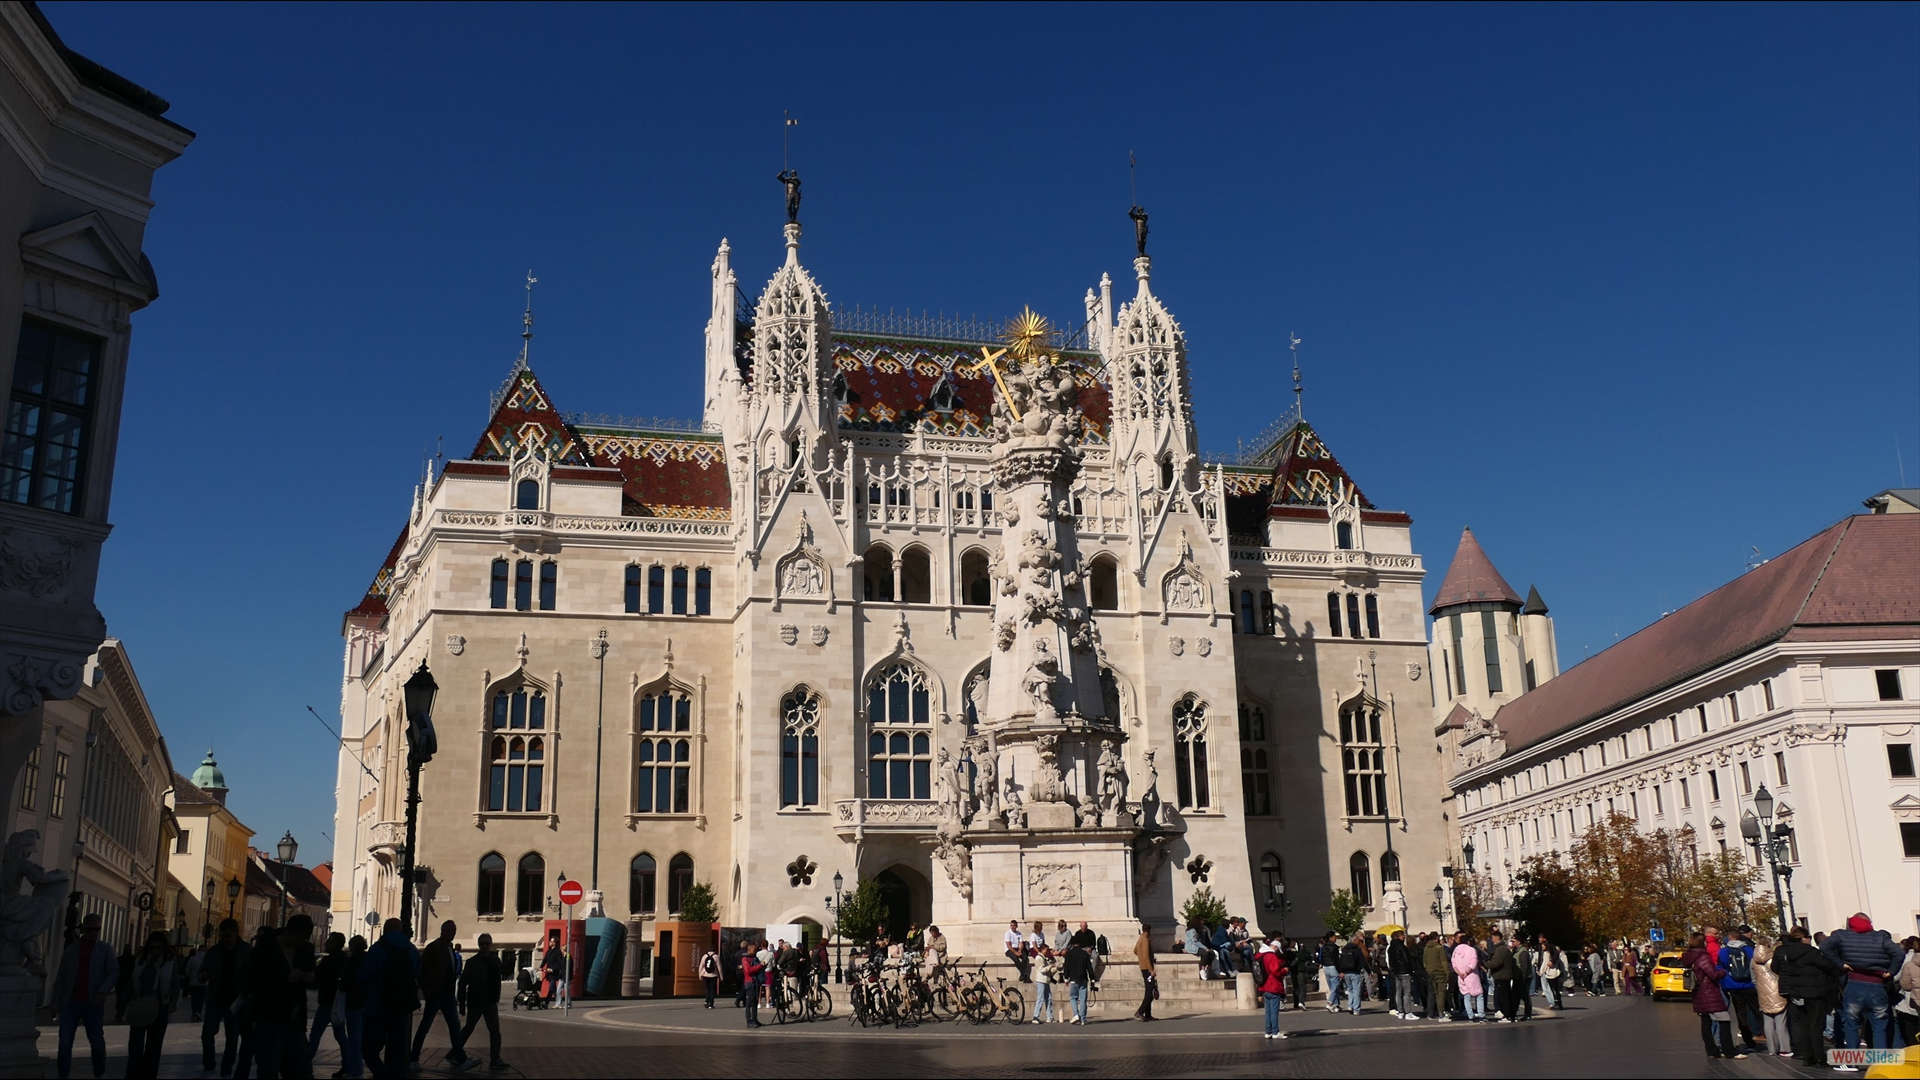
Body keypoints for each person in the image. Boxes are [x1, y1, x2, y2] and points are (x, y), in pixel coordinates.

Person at [1822, 912, 1904, 1050]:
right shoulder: (1880, 937)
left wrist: (1840, 964)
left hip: (1854, 983)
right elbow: (1899, 953)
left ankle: (1851, 1062)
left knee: (1852, 1024)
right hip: (1877, 984)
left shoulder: (1842, 935)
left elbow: (1824, 946)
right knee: (1879, 1026)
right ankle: (1880, 1061)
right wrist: (1890, 971)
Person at [53, 912, 116, 1080]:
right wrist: (55, 1001)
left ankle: (99, 1073)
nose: (93, 933)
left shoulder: (105, 950)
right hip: (70, 1001)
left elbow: (114, 971)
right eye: (90, 929)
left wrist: (104, 990)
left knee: (96, 1042)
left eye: (97, 929)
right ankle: (63, 1075)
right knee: (65, 1043)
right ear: (83, 929)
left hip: (93, 1002)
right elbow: (62, 975)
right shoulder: (72, 950)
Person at [357, 918, 422, 1079]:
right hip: (402, 1006)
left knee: (368, 1049)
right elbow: (419, 974)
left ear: (384, 930)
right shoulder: (411, 949)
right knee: (396, 1050)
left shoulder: (377, 949)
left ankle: (382, 1074)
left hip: (377, 1006)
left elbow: (362, 977)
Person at [408, 921, 474, 1071]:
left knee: (454, 1026)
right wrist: (426, 989)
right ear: (443, 931)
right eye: (451, 930)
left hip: (448, 994)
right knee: (425, 1025)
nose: (454, 933)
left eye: (455, 930)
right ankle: (414, 1057)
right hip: (436, 994)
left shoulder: (449, 947)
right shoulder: (434, 947)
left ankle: (460, 1057)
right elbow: (423, 969)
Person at [1772, 926, 1841, 1069]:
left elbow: (1777, 968)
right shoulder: (1811, 952)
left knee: (1803, 1025)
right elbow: (1828, 966)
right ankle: (1820, 1058)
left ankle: (1808, 1057)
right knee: (1816, 1026)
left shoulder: (1788, 953)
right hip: (1814, 992)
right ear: (1803, 938)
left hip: (1797, 992)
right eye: (1808, 936)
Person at [122, 930, 178, 1080]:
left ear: (164, 947)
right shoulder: (140, 961)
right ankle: (133, 1075)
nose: (155, 951)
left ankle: (148, 1075)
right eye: (152, 948)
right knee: (135, 1046)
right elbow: (131, 983)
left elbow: (175, 983)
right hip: (140, 1005)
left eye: (158, 947)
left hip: (160, 1007)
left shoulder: (169, 964)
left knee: (154, 1047)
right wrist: (123, 1004)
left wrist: (173, 1002)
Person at [200, 918, 251, 1077]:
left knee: (232, 1038)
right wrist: (205, 975)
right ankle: (209, 1063)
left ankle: (226, 1069)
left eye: (228, 936)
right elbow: (201, 973)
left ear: (236, 933)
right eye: (222, 936)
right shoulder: (214, 951)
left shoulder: (246, 950)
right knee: (207, 1034)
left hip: (236, 1000)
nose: (225, 939)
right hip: (215, 998)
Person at [1682, 931, 1743, 1059]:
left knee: (1706, 1021)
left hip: (1698, 992)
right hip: (1709, 992)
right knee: (1724, 1020)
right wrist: (1723, 972)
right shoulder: (1703, 957)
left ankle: (1711, 1050)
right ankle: (1729, 1051)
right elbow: (1713, 974)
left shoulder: (1689, 956)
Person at [456, 932, 507, 1071]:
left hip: (490, 1001)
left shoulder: (495, 960)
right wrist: (461, 1003)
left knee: (495, 1031)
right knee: (468, 1028)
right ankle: (455, 1053)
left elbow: (505, 971)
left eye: (487, 943)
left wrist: (513, 961)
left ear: (490, 945)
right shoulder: (472, 962)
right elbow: (462, 983)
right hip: (476, 1002)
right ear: (479, 945)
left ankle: (495, 1059)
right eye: (482, 943)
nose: (484, 946)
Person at [1719, 927, 1760, 1051]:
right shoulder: (1748, 949)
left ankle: (1748, 1042)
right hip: (1749, 985)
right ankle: (1765, 1035)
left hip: (1734, 986)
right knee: (1757, 1011)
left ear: (1730, 937)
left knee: (1740, 1014)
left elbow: (1721, 966)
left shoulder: (1723, 951)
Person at [310, 932, 348, 1064]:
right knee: (340, 1035)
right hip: (339, 1001)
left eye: (329, 941)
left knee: (316, 1033)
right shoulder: (345, 959)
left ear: (335, 944)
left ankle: (306, 1060)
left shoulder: (328, 960)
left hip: (327, 1001)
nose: (325, 943)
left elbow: (317, 976)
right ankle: (348, 1062)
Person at [1752, 934, 1792, 1059]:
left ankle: (1772, 1048)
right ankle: (1785, 1048)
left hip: (1762, 992)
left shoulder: (1753, 960)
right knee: (1781, 1021)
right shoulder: (1773, 957)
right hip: (1777, 991)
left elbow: (1753, 979)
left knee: (1768, 1021)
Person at [338, 935, 370, 1080]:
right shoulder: (369, 958)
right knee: (363, 1035)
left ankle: (356, 1070)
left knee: (354, 1037)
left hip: (354, 1002)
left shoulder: (351, 961)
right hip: (368, 1002)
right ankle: (361, 1065)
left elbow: (344, 982)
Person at [1257, 940, 1290, 1040]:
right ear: (1275, 947)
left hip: (1264, 986)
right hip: (1273, 986)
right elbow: (1275, 971)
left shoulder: (1260, 955)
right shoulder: (1271, 956)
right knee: (1274, 1011)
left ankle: (1268, 1032)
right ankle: (1275, 1032)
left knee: (1268, 1011)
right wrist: (1284, 970)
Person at [1451, 934, 1484, 1023]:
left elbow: (1453, 964)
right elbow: (1473, 962)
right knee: (1479, 995)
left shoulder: (1455, 951)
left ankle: (1470, 1016)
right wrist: (1467, 972)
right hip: (1471, 975)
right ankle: (1481, 1015)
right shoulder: (1472, 950)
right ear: (1468, 941)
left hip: (1461, 976)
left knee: (1466, 996)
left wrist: (1460, 973)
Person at [1486, 931, 1516, 1022]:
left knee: (1503, 997)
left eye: (1492, 937)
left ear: (1497, 938)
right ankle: (1510, 1015)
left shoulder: (1500, 949)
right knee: (1506, 996)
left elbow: (1496, 962)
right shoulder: (1504, 948)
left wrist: (1486, 964)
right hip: (1504, 975)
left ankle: (1506, 1015)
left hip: (1501, 976)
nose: (1492, 939)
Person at [1386, 930, 1416, 1019]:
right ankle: (1408, 1012)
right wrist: (1410, 970)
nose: (1404, 938)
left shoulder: (1391, 947)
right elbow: (1406, 959)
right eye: (1403, 936)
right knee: (1406, 993)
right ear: (1400, 936)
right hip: (1404, 971)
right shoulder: (1401, 946)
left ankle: (1400, 1011)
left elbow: (1390, 961)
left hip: (1396, 972)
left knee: (1398, 993)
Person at [1062, 941, 1094, 1026]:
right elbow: (1089, 968)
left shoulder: (1069, 954)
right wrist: (1092, 978)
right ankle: (1083, 1019)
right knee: (1083, 1000)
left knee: (1073, 998)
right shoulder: (1084, 954)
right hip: (1083, 978)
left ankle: (1076, 1014)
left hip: (1073, 979)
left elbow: (1066, 967)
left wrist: (1066, 977)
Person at [1335, 934, 1367, 1015]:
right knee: (1357, 991)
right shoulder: (1357, 949)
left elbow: (1340, 961)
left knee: (1350, 990)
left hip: (1346, 973)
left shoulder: (1344, 949)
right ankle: (1356, 1009)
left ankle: (1350, 1005)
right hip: (1355, 972)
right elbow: (1362, 961)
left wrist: (1341, 971)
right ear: (1355, 940)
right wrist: (1369, 971)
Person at [1423, 932, 1451, 1022]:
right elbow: (1444, 962)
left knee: (1433, 994)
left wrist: (1429, 970)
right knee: (1441, 994)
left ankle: (1432, 1013)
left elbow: (1425, 963)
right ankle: (1441, 1014)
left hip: (1431, 973)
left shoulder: (1426, 948)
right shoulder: (1439, 948)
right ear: (1437, 938)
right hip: (1440, 973)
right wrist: (1447, 973)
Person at [1133, 922, 1156, 1022]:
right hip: (1147, 968)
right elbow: (1146, 956)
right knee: (1150, 991)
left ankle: (1148, 1014)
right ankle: (1140, 1011)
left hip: (1143, 967)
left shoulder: (1140, 939)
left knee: (1148, 990)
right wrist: (1151, 970)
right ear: (1149, 931)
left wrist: (1140, 958)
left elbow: (1135, 950)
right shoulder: (1145, 940)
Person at [1536, 936, 1563, 1010]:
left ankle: (1553, 1003)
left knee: (1548, 988)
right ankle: (1557, 1003)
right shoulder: (1545, 950)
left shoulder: (1548, 950)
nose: (1539, 939)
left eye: (1540, 938)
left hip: (1547, 971)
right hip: (1552, 971)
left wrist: (1541, 971)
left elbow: (1545, 962)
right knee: (1554, 988)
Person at [740, 943, 765, 1028]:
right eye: (754, 950)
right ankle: (749, 1020)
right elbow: (748, 970)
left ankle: (755, 1019)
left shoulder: (754, 958)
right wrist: (759, 966)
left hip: (756, 982)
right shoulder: (745, 959)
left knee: (755, 1002)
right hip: (750, 982)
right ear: (749, 950)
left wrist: (763, 966)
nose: (755, 951)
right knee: (749, 1002)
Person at [185, 940, 209, 1022]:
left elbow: (187, 971)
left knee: (194, 998)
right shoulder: (207, 959)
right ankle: (198, 1011)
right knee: (201, 998)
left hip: (193, 982)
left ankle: (194, 1011)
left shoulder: (192, 959)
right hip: (204, 982)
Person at [1032, 946, 1056, 1023]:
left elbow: (1049, 971)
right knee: (1040, 998)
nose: (1047, 951)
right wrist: (1051, 966)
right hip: (1041, 981)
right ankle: (1036, 1016)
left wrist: (1056, 968)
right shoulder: (1038, 958)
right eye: (1046, 950)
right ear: (1042, 950)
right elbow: (1042, 970)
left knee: (1048, 999)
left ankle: (1050, 1016)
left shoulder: (1045, 958)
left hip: (1046, 980)